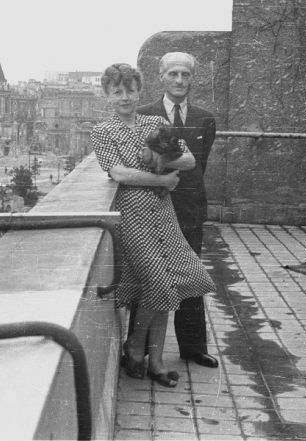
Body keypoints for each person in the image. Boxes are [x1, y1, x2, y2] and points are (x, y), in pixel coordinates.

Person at [91, 63, 215, 388]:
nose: (125, 97)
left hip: (163, 212)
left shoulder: (155, 123)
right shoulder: (103, 131)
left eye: (130, 90)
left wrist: (159, 158)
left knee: (169, 283)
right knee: (159, 283)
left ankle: (156, 361)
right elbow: (119, 173)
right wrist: (162, 179)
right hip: (131, 215)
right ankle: (135, 347)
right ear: (107, 95)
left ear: (139, 91)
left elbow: (189, 160)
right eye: (117, 92)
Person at [135, 52, 219, 369]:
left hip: (190, 208)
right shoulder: (145, 115)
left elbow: (199, 166)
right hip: (153, 206)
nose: (180, 80)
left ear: (192, 78)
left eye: (185, 74)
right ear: (161, 77)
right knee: (148, 276)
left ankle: (193, 347)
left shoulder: (205, 119)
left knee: (191, 274)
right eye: (173, 74)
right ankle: (139, 350)